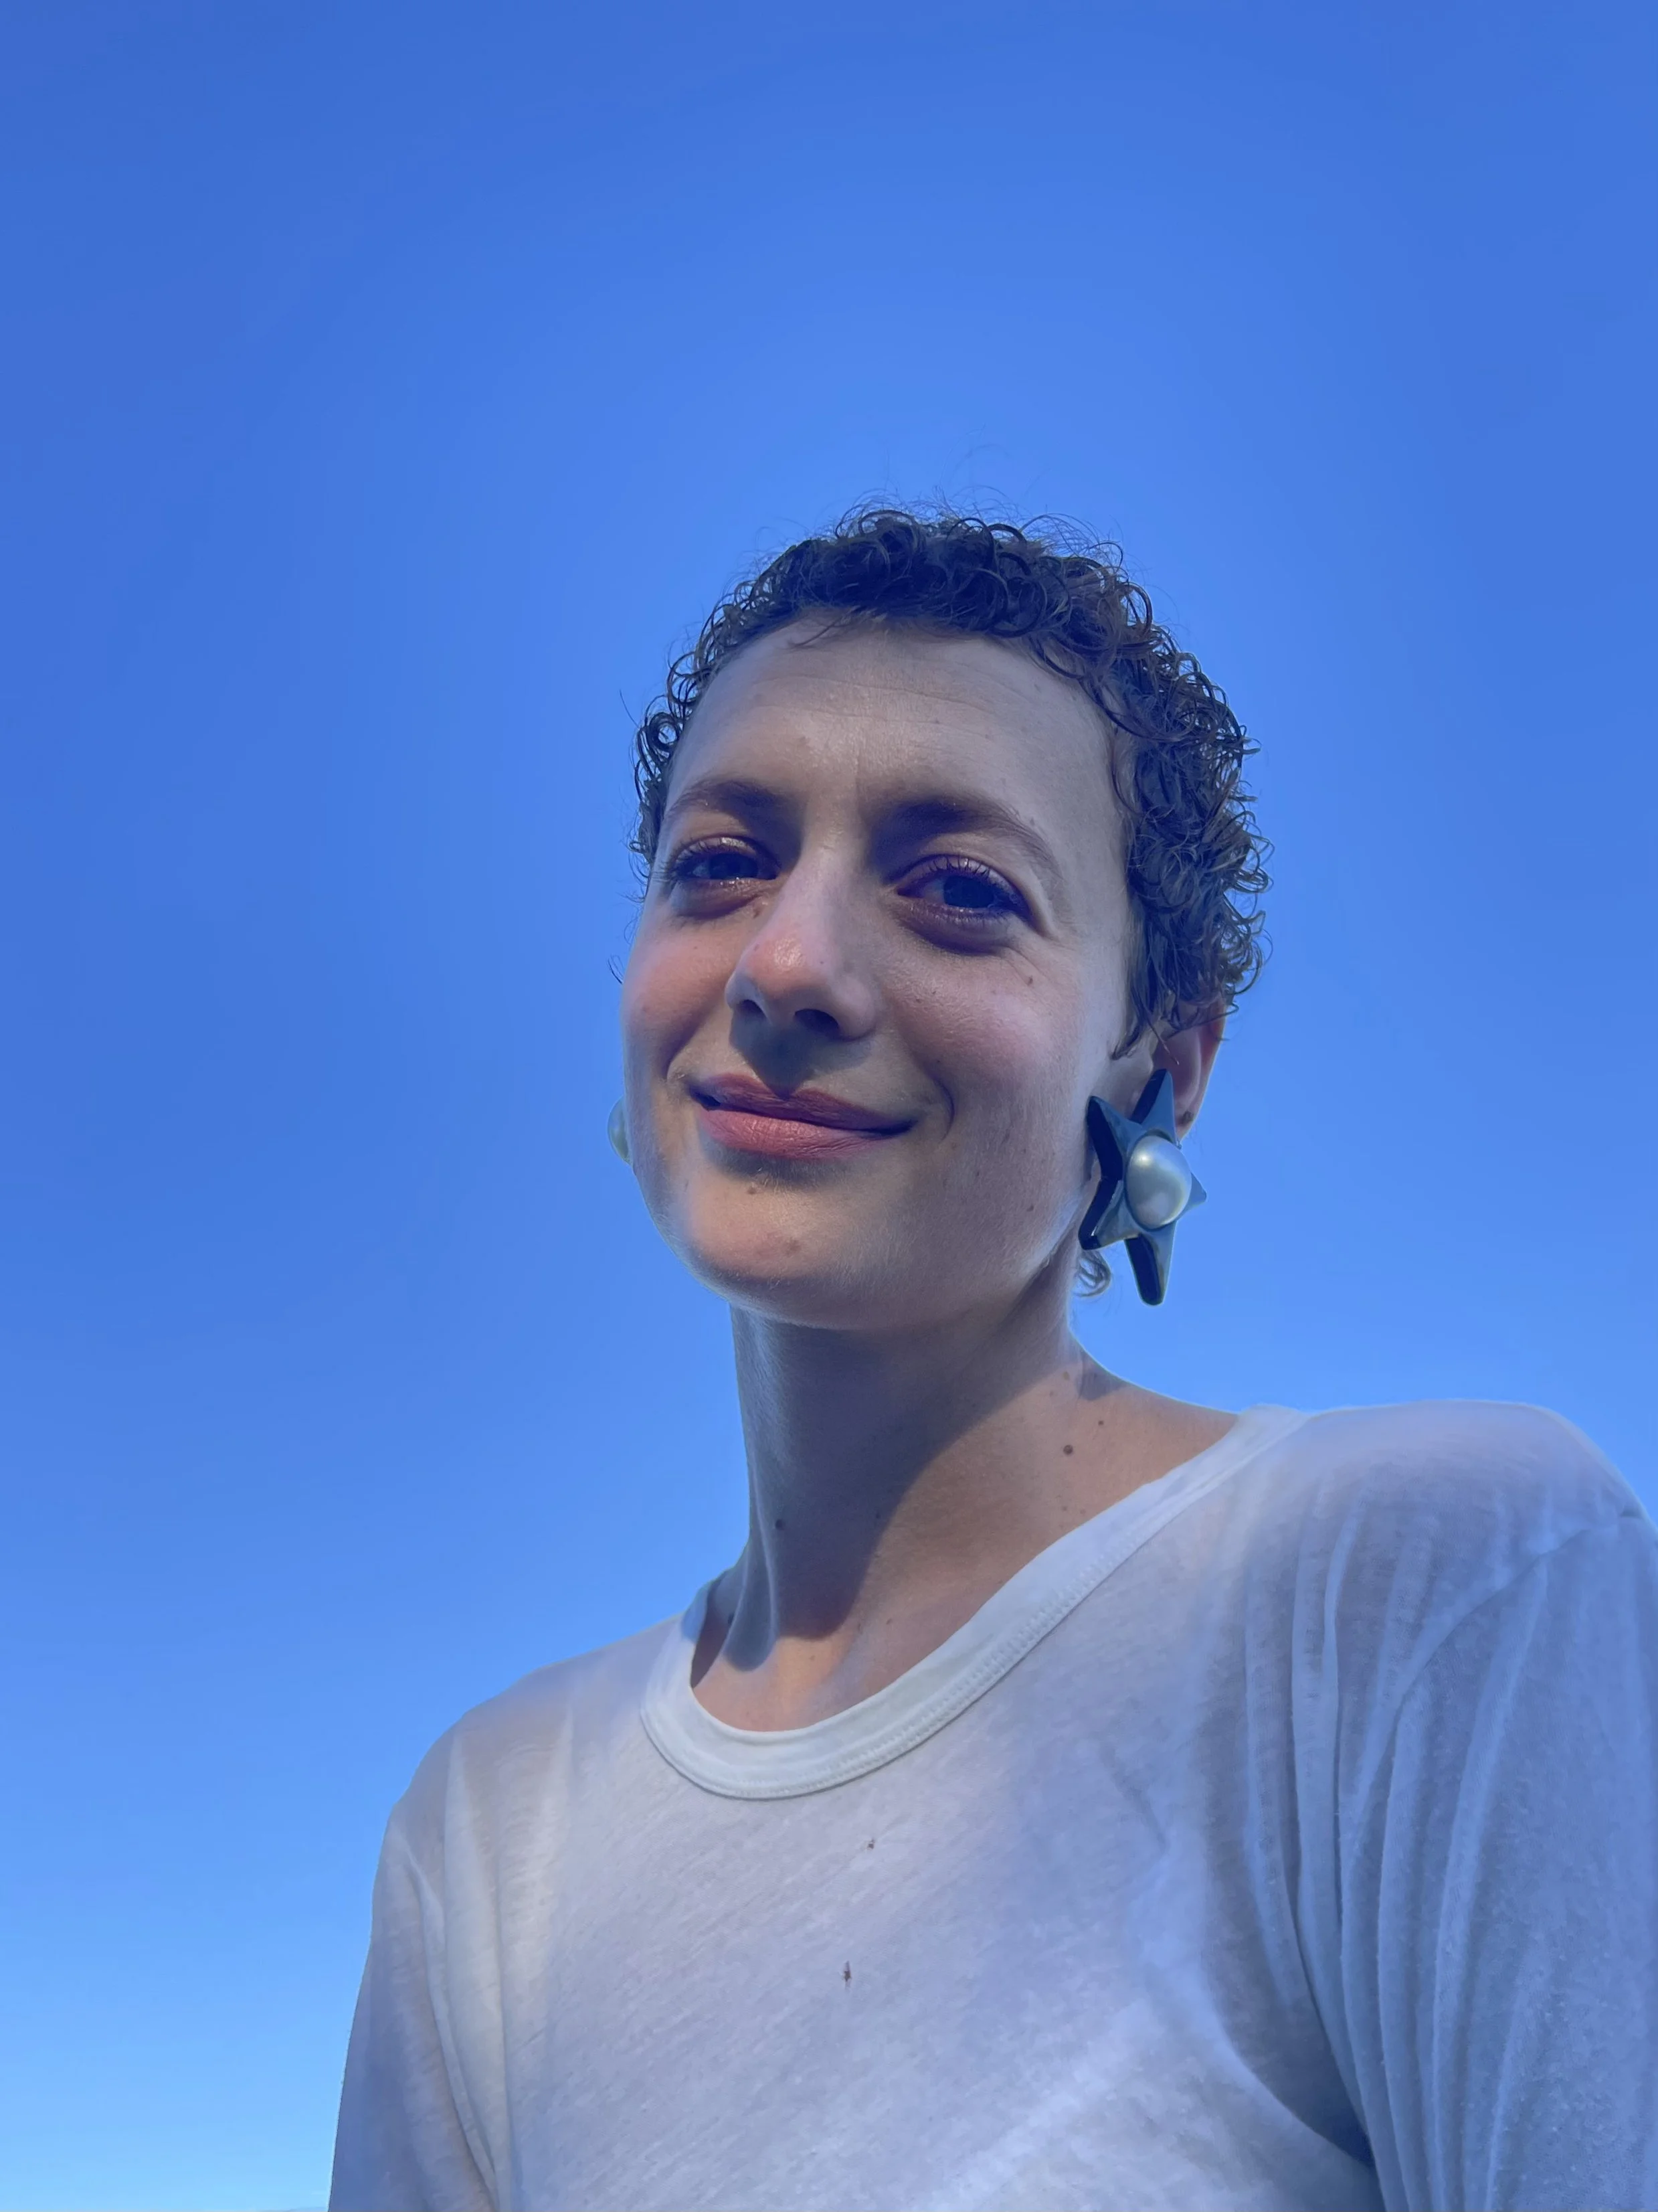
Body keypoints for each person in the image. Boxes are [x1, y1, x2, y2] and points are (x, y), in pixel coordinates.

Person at [329, 508, 1658, 2212]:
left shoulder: (1422, 1582)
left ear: (1162, 1069)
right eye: (720, 862)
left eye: (961, 890)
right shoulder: (485, 1833)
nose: (786, 964)